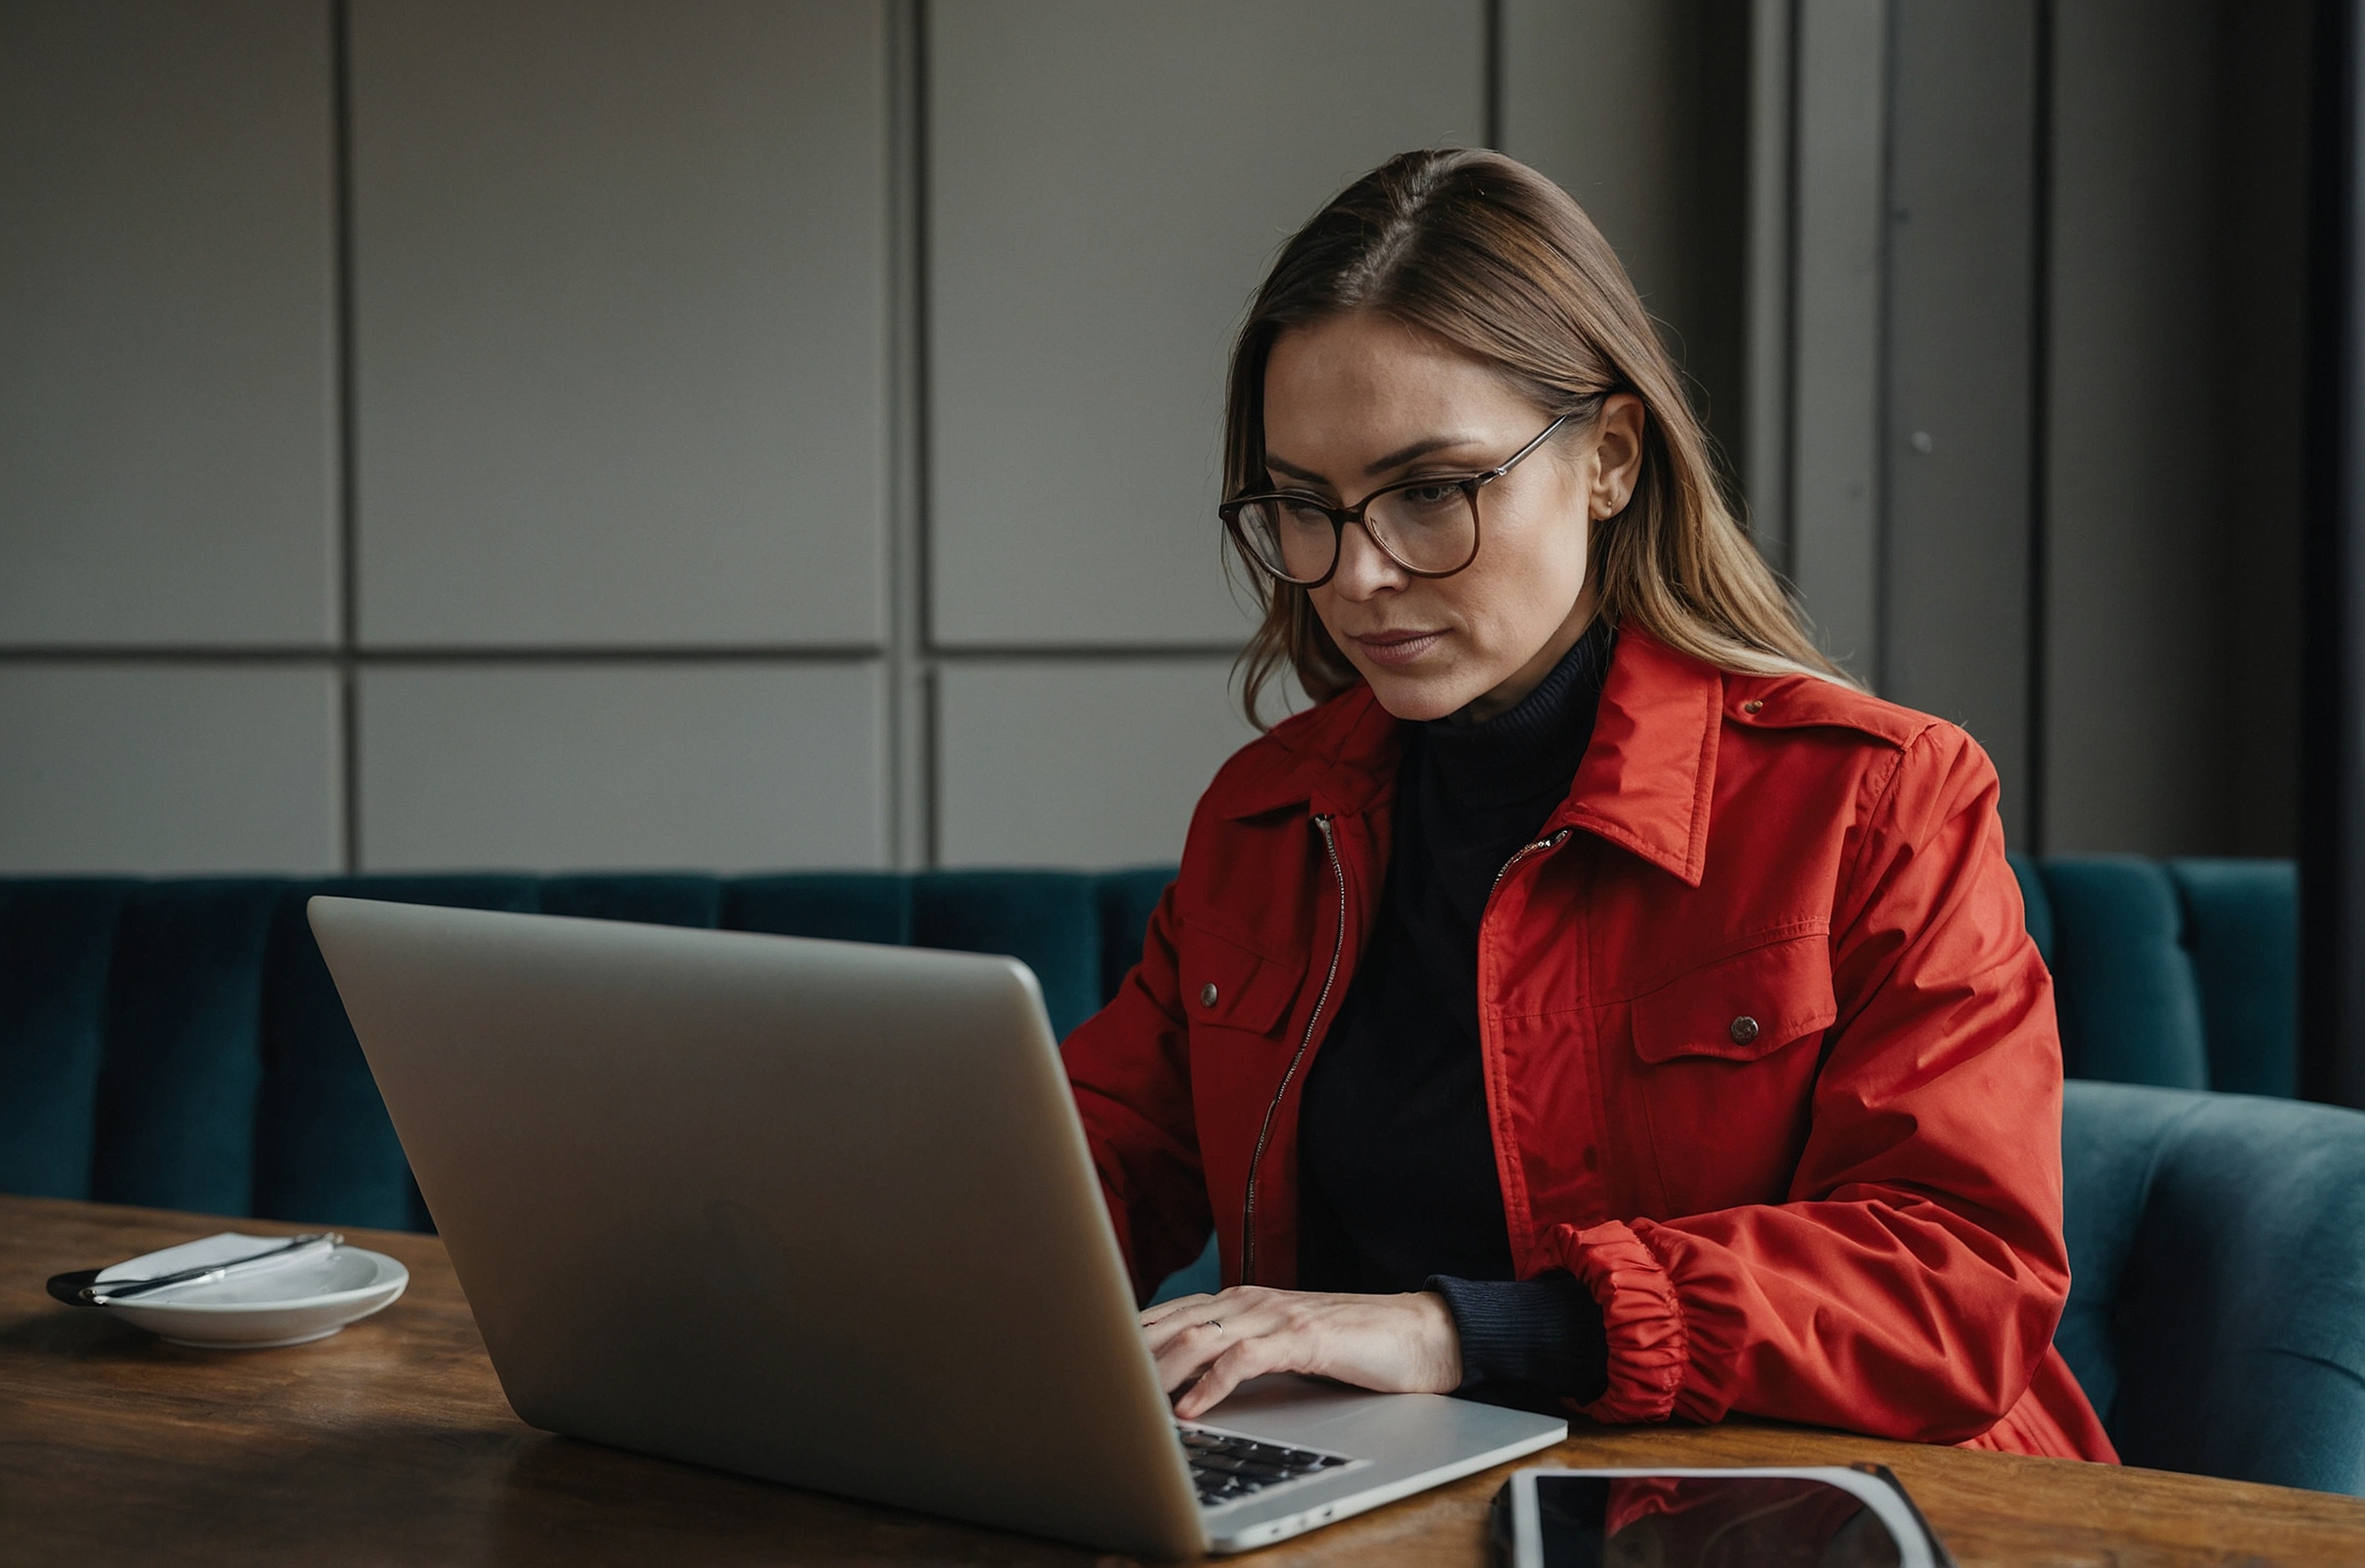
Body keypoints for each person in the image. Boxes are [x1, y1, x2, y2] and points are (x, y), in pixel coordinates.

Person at [1060, 147, 2116, 1461]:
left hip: (1840, 1515)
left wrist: (1455, 1335)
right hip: (1390, 1509)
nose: (1362, 574)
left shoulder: (1878, 799)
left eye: (1432, 492)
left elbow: (1960, 1285)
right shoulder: (1272, 821)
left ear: (1610, 458)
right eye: (1304, 507)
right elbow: (1085, 1172)